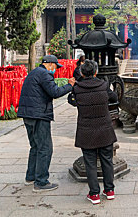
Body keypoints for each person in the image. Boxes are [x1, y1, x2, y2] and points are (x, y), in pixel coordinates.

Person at [17, 55, 75, 192]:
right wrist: (70, 86)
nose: (55, 70)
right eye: (55, 67)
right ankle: (41, 182)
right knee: (45, 148)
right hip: (39, 115)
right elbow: (54, 92)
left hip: (28, 114)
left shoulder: (34, 73)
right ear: (49, 64)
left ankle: (31, 176)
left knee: (35, 146)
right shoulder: (44, 74)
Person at [69, 59, 118, 205]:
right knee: (107, 161)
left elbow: (71, 101)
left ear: (82, 73)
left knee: (90, 163)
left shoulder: (77, 88)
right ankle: (109, 191)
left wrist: (73, 87)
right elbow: (114, 97)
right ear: (96, 72)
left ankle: (94, 194)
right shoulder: (103, 86)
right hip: (104, 129)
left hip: (86, 130)